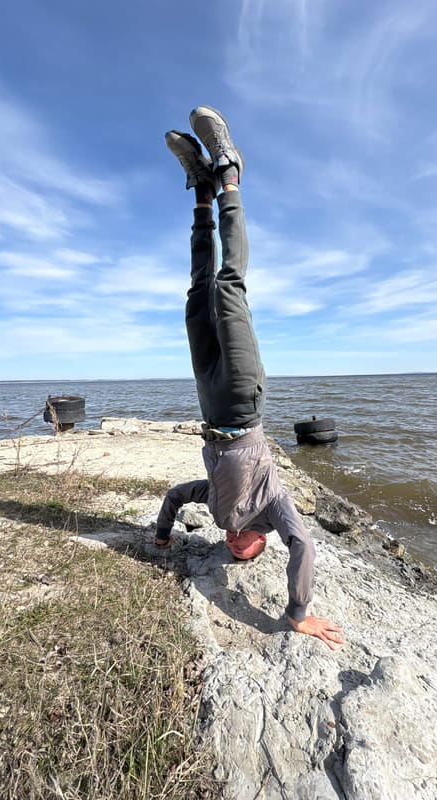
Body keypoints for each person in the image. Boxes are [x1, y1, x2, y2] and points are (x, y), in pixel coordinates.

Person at [155, 106, 343, 650]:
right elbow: (304, 544)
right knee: (228, 288)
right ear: (260, 540)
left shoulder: (216, 510)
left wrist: (163, 536)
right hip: (240, 401)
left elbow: (174, 494)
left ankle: (200, 192)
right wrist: (298, 611)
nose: (236, 543)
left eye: (230, 546)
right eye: (246, 548)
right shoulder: (270, 505)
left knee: (196, 300)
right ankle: (231, 170)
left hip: (209, 406)